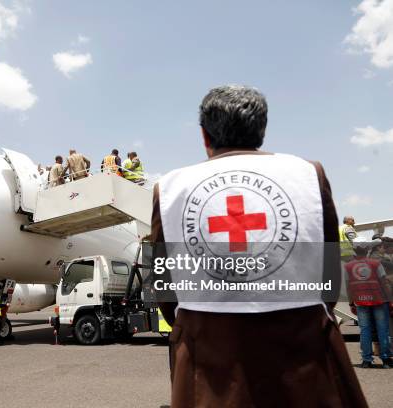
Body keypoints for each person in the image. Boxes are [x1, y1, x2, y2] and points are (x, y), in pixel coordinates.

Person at [153, 85, 367, 407]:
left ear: (204, 136)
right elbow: (327, 266)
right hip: (302, 344)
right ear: (262, 130)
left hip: (209, 350)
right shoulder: (309, 173)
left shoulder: (168, 187)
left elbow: (163, 281)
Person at [346, 242, 392, 368]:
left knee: (365, 331)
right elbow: (384, 283)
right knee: (382, 329)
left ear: (355, 251)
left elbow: (349, 287)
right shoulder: (376, 263)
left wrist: (351, 303)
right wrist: (390, 300)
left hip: (361, 301)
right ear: (367, 250)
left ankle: (366, 360)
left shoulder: (348, 266)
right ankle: (386, 359)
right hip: (379, 300)